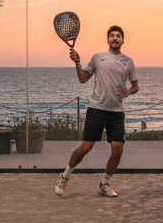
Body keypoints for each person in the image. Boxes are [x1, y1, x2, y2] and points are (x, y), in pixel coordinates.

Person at [56, 24, 138, 197]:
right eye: (112, 36)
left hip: (116, 112)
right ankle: (65, 176)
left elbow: (135, 86)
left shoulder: (128, 61)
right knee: (86, 146)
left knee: (118, 148)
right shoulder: (98, 57)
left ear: (123, 40)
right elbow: (83, 79)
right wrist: (77, 62)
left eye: (118, 36)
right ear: (107, 39)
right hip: (96, 109)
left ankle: (105, 183)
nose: (115, 38)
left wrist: (129, 91)